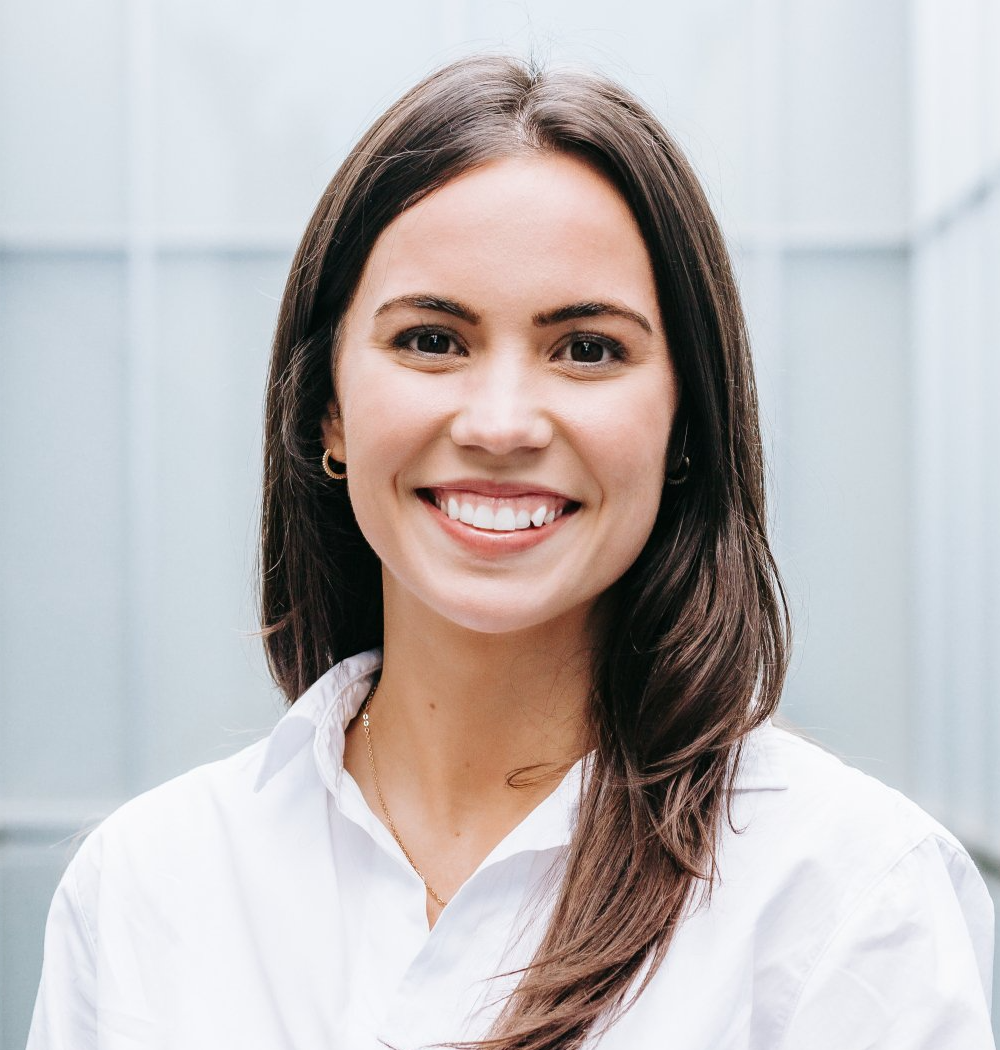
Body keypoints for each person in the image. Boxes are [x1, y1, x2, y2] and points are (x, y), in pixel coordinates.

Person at [28, 53, 995, 1050]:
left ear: (684, 428)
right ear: (329, 412)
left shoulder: (843, 895)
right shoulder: (143, 889)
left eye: (586, 350)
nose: (500, 423)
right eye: (431, 341)